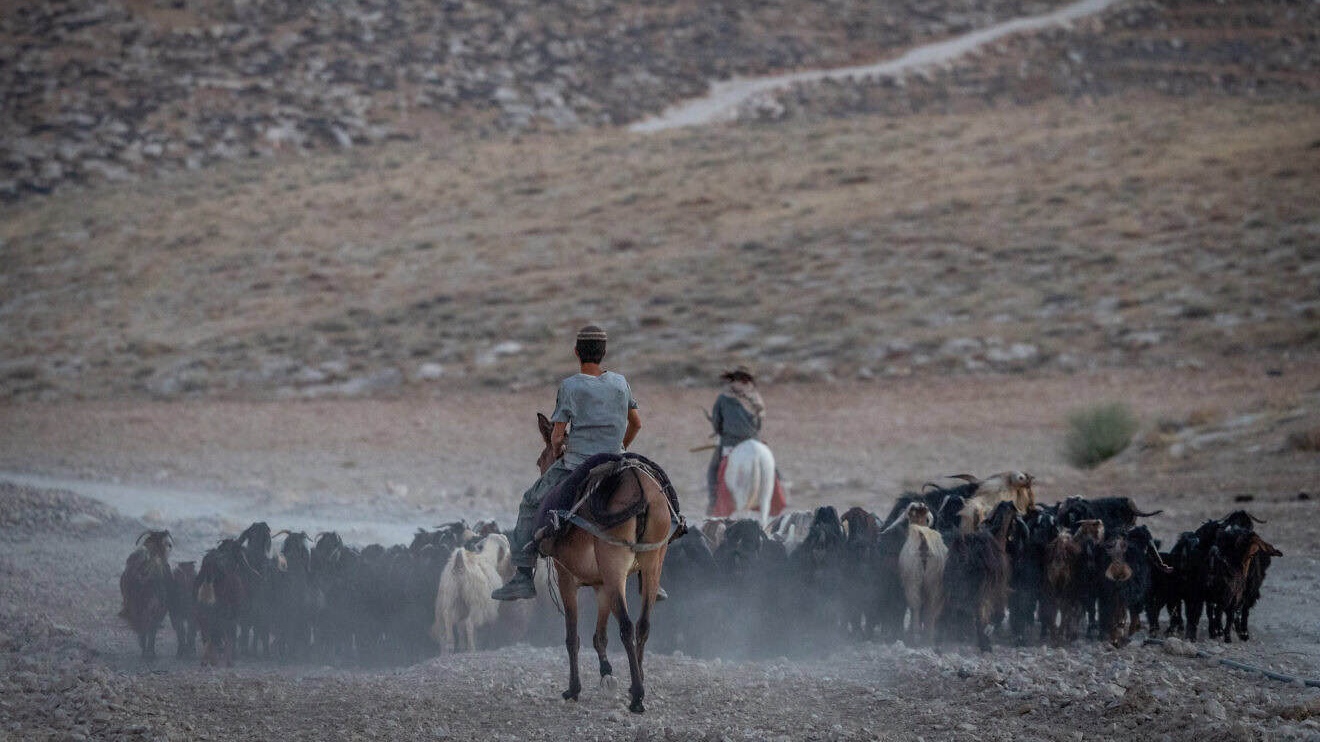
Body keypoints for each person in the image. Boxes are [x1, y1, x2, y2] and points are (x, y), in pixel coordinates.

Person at [491, 324, 642, 601]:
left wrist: (558, 447)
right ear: (604, 352)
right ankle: (649, 568)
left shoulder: (570, 386)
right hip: (617, 460)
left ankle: (523, 575)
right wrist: (620, 448)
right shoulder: (621, 383)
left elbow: (558, 434)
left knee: (529, 502)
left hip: (577, 464)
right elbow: (636, 424)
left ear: (576, 353)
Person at [706, 365, 764, 514]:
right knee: (769, 464)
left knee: (713, 469)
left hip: (730, 442)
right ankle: (781, 485)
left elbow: (717, 423)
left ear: (733, 381)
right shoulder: (756, 398)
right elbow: (758, 424)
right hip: (754, 440)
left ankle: (713, 501)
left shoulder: (723, 398)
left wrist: (719, 432)